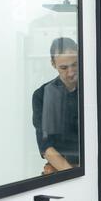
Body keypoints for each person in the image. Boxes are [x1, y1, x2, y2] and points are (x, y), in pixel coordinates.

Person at [32, 37, 80, 175]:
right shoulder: (42, 95)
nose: (71, 72)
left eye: (75, 64)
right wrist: (72, 175)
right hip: (61, 170)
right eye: (64, 68)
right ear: (53, 64)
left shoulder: (94, 90)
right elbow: (46, 147)